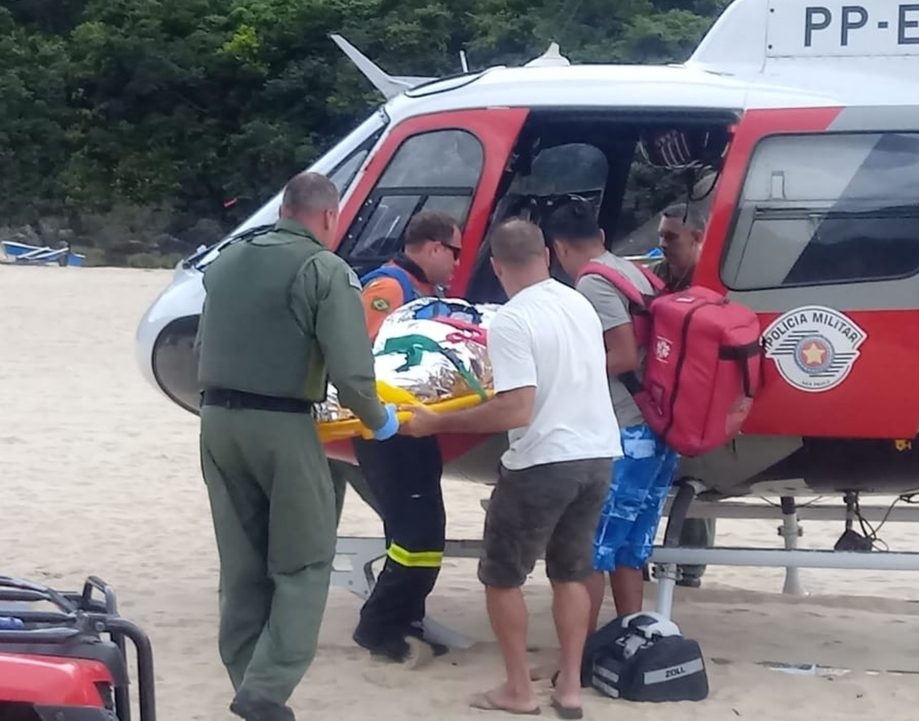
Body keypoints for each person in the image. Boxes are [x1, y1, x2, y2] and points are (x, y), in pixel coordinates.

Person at [196, 171, 399, 721]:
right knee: (303, 561)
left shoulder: (227, 260)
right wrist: (381, 421)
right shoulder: (324, 269)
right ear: (330, 217)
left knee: (241, 563)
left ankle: (246, 678)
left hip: (216, 420)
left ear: (284, 209)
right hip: (282, 425)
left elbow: (202, 342)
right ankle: (266, 690)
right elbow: (353, 372)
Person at [402, 219, 621, 718]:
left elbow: (517, 408)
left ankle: (518, 690)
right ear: (546, 253)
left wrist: (438, 422)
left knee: (502, 576)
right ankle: (569, 687)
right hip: (597, 454)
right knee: (571, 573)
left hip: (543, 459)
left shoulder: (511, 320)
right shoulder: (578, 303)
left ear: (496, 266)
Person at [335, 211, 464, 665]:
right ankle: (377, 627)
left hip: (417, 426)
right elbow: (362, 355)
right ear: (431, 247)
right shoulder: (388, 289)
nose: (457, 264)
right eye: (455, 253)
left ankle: (406, 618)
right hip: (387, 430)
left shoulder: (430, 291)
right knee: (416, 535)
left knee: (425, 532)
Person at [546, 200, 679, 631]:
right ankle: (629, 637)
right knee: (629, 549)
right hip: (657, 428)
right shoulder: (631, 270)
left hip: (627, 430)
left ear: (559, 249)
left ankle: (577, 655)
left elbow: (621, 357)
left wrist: (565, 373)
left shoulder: (593, 286)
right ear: (601, 237)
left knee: (591, 551)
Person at [652, 202, 714, 588]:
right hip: (659, 387)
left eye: (670, 238)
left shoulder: (714, 279)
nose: (662, 246)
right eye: (660, 237)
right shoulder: (656, 275)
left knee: (698, 476)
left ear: (697, 237)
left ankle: (689, 570)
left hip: (699, 390)